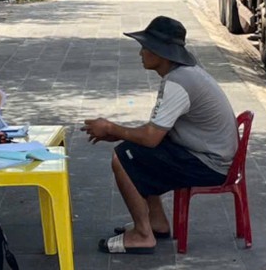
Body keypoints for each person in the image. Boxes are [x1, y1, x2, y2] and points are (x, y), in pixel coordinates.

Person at [81, 16, 238, 255]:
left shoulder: (178, 82)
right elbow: (156, 131)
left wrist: (112, 129)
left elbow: (152, 137)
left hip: (211, 163)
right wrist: (119, 133)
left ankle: (143, 235)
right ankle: (156, 223)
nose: (141, 53)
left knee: (123, 157)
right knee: (139, 152)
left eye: (145, 48)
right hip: (213, 154)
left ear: (160, 53)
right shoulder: (185, 73)